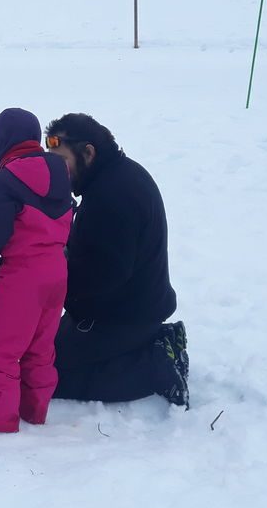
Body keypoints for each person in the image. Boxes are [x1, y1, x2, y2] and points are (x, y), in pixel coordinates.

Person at [44, 113, 189, 407]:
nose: (59, 173)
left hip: (123, 317)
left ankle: (154, 365)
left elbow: (104, 274)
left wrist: (53, 279)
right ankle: (155, 343)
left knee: (45, 374)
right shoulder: (118, 176)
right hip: (129, 306)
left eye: (63, 162)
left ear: (88, 152)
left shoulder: (111, 197)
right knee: (43, 350)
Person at [0, 108, 73, 432]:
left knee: (0, 347)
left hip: (22, 276)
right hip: (57, 274)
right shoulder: (61, 172)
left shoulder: (5, 181)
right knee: (40, 345)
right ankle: (34, 408)